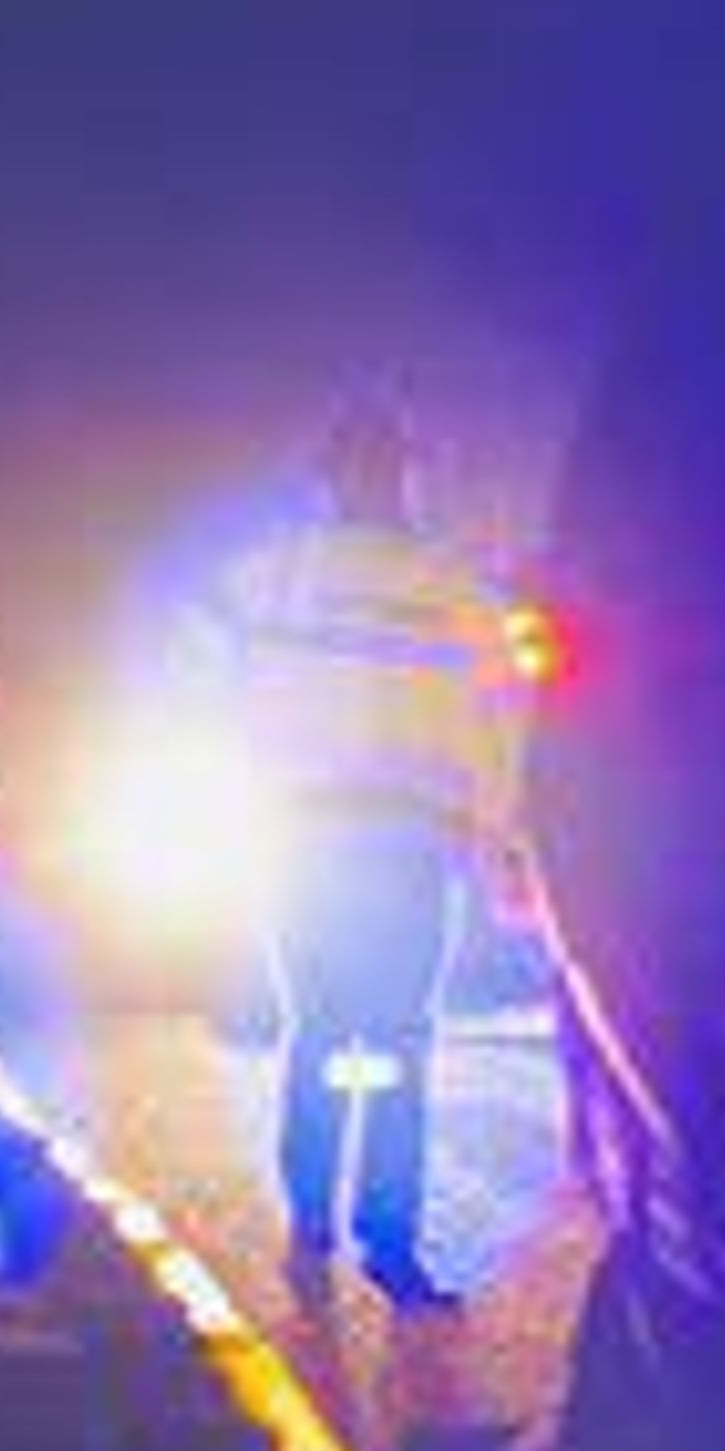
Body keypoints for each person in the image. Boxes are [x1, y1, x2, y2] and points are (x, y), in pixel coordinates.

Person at [215, 403, 516, 1297]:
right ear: (408, 475)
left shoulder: (267, 579)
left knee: (317, 1032)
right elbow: (498, 731)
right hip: (406, 844)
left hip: (298, 839)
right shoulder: (457, 594)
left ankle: (311, 1232)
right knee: (397, 1040)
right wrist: (497, 844)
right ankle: (388, 1240)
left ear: (326, 476)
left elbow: (211, 687)